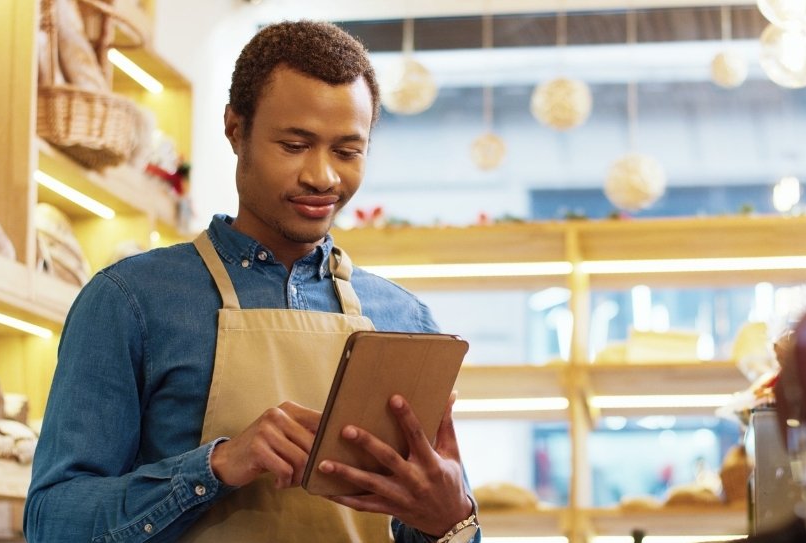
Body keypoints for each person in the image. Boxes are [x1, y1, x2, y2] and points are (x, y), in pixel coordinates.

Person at [24, 20, 480, 543]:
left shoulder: (408, 321)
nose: (323, 177)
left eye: (348, 151)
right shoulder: (129, 302)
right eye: (295, 144)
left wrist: (452, 519)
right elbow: (51, 523)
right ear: (235, 129)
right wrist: (215, 467)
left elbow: (443, 528)